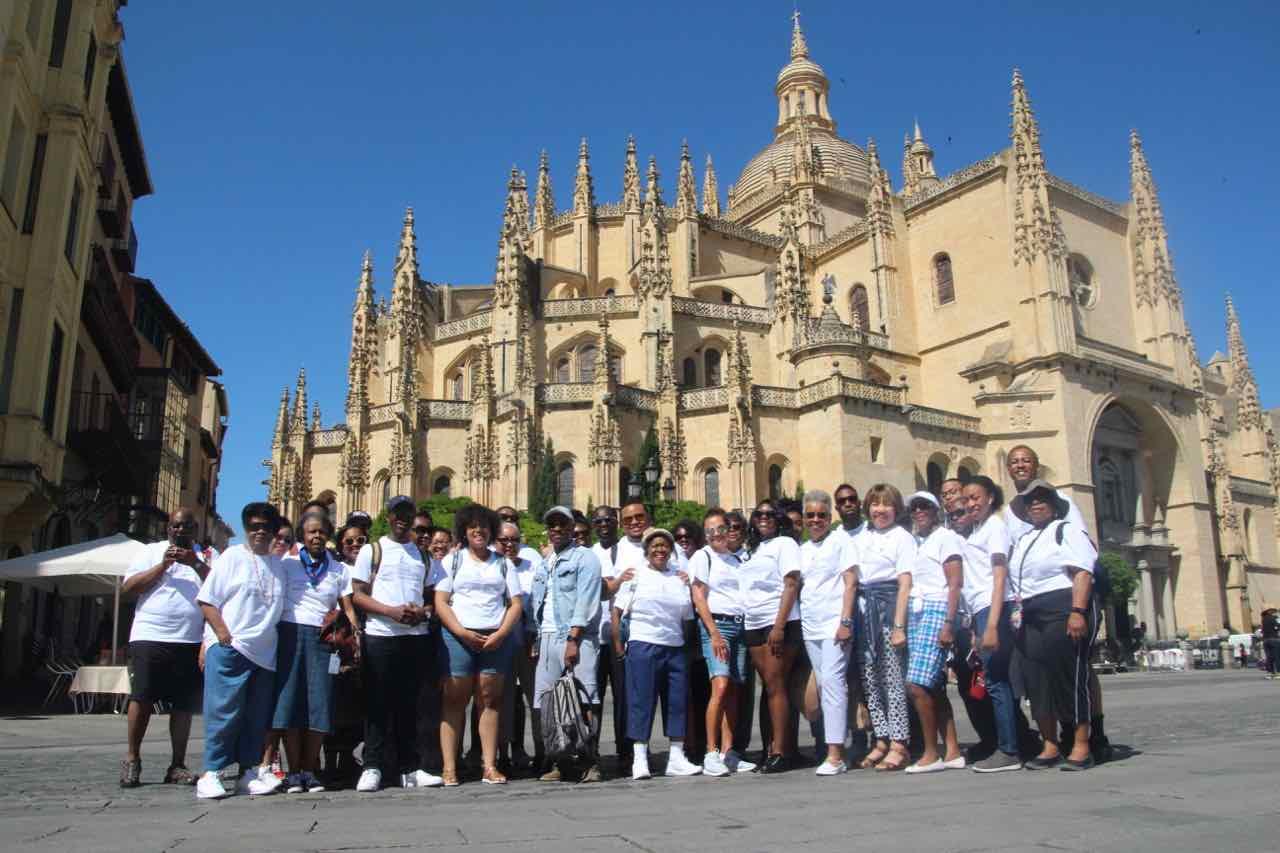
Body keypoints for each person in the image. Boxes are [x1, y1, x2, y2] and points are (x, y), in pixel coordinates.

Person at [195, 502, 288, 800]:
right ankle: (211, 772)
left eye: (266, 527)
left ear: (275, 532)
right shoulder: (232, 557)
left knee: (254, 718)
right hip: (232, 648)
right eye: (254, 526)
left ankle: (247, 772)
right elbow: (207, 600)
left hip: (264, 655)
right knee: (223, 713)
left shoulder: (280, 565)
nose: (259, 531)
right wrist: (221, 635)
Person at [350, 496, 442, 793]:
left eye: (407, 513)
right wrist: (390, 611)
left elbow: (434, 599)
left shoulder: (422, 556)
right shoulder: (372, 550)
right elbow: (358, 595)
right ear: (388, 516)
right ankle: (373, 766)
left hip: (415, 638)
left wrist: (421, 612)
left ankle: (410, 768)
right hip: (381, 635)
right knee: (377, 705)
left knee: (410, 706)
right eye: (397, 513)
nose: (402, 518)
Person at [1008, 479, 1098, 771]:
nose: (1035, 503)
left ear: (1054, 504)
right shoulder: (1023, 540)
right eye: (1029, 501)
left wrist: (1077, 611)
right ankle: (1050, 745)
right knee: (1037, 680)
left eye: (1042, 498)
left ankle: (1082, 744)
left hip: (1061, 606)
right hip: (1031, 612)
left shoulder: (1067, 530)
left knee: (1069, 676)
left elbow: (1083, 571)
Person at [434, 504, 524, 785]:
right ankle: (450, 767)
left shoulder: (503, 563)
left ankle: (489, 765)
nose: (479, 531)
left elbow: (515, 604)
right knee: (454, 700)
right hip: (458, 636)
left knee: (489, 700)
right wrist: (461, 632)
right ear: (464, 530)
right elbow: (440, 601)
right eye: (473, 526)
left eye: (484, 526)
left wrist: (501, 633)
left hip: (494, 637)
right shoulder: (453, 561)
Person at [120, 508, 210, 788]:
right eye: (175, 526)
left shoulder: (207, 556)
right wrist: (162, 566)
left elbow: (222, 588)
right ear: (168, 529)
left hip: (190, 639)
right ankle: (132, 759)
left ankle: (177, 765)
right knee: (142, 698)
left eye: (186, 526)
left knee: (183, 706)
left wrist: (195, 563)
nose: (180, 531)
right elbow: (129, 587)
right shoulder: (150, 552)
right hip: (150, 636)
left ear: (195, 530)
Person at [270, 511, 353, 793]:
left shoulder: (339, 569)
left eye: (321, 532)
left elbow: (347, 605)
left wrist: (352, 633)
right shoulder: (287, 564)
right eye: (311, 532)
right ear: (302, 536)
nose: (317, 536)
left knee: (320, 704)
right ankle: (294, 772)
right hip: (291, 633)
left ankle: (309, 769)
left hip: (323, 638)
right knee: (291, 703)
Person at [613, 527, 702, 779]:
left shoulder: (679, 577)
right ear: (646, 551)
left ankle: (676, 756)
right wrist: (619, 646)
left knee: (677, 702)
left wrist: (684, 645)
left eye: (664, 546)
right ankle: (639, 758)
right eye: (654, 546)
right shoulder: (635, 575)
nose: (660, 550)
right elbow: (618, 611)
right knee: (641, 701)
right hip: (643, 644)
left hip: (674, 646)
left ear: (671, 551)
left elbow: (687, 616)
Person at [528, 505, 604, 782]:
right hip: (547, 637)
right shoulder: (545, 560)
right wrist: (536, 638)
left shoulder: (585, 558)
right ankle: (561, 762)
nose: (556, 529)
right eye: (552, 525)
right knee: (548, 704)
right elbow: (540, 602)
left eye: (562, 524)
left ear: (573, 528)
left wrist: (573, 637)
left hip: (574, 637)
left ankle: (590, 762)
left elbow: (586, 600)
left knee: (584, 698)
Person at [957, 476, 1027, 773]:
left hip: (993, 608)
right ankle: (1011, 744)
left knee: (998, 682)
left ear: (990, 498)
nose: (971, 503)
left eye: (976, 497)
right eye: (967, 499)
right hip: (982, 610)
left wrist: (992, 625)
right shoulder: (978, 530)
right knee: (995, 681)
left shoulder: (996, 528)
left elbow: (1000, 577)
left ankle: (1009, 749)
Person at [689, 508, 756, 776]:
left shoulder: (738, 559)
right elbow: (698, 597)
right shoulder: (702, 557)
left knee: (734, 691)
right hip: (718, 626)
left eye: (721, 529)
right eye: (711, 531)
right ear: (705, 535)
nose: (717, 534)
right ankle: (710, 751)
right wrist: (714, 633)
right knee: (720, 685)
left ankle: (730, 752)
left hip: (739, 626)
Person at [854, 484, 916, 772]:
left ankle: (900, 743)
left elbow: (905, 582)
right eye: (875, 504)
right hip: (864, 608)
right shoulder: (863, 536)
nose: (880, 510)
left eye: (887, 504)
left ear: (896, 508)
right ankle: (882, 738)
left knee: (893, 679)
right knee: (870, 678)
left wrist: (899, 625)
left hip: (889, 607)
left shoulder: (902, 537)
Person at [902, 491, 965, 773]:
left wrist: (949, 623)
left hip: (937, 609)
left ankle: (930, 753)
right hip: (917, 611)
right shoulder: (916, 541)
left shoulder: (945, 538)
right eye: (914, 507)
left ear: (936, 510)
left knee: (916, 684)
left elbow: (955, 583)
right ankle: (952, 751)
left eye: (924, 506)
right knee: (932, 685)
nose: (918, 511)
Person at [797, 491, 858, 776]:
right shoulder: (804, 548)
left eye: (821, 515)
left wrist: (845, 621)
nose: (816, 520)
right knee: (824, 685)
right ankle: (834, 747)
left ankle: (835, 754)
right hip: (811, 626)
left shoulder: (840, 541)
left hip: (835, 623)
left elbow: (850, 583)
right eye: (811, 515)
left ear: (830, 518)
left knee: (833, 683)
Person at [740, 502, 803, 773]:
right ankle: (774, 748)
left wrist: (778, 626)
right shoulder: (751, 549)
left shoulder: (785, 544)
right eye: (759, 515)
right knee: (770, 686)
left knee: (776, 684)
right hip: (753, 622)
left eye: (769, 515)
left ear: (778, 520)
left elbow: (791, 584)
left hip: (777, 622)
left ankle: (780, 751)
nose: (764, 518)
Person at [496, 521, 539, 772]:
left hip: (527, 641)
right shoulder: (490, 567)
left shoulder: (531, 567)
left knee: (536, 700)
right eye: (504, 540)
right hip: (499, 643)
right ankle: (502, 755)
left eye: (515, 540)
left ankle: (543, 753)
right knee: (502, 701)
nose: (510, 545)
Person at [590, 505, 628, 767]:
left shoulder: (629, 550)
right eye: (599, 520)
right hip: (594, 636)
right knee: (593, 698)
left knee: (625, 697)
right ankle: (590, 753)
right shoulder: (589, 555)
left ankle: (626, 753)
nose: (604, 524)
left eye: (608, 520)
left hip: (623, 636)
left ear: (617, 522)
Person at [671, 519, 708, 761]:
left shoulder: (706, 559)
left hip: (703, 630)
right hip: (684, 634)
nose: (684, 541)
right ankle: (689, 745)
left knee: (704, 690)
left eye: (688, 537)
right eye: (679, 537)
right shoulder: (675, 564)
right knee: (686, 693)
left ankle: (707, 744)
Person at [1262, 609, 1280, 679]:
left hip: (1266, 640)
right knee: (1277, 656)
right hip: (1274, 639)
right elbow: (1276, 627)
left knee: (1269, 657)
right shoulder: (1274, 619)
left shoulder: (1264, 620)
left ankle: (1270, 673)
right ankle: (1278, 673)